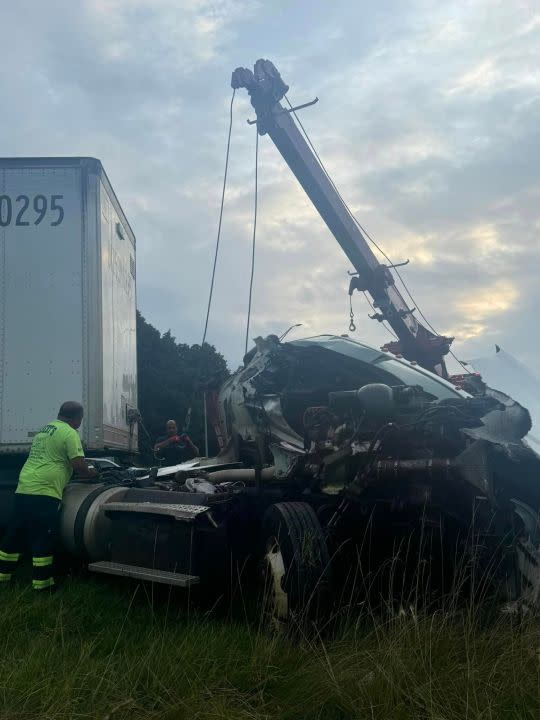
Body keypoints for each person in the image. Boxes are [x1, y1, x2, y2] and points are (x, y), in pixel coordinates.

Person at [0, 401, 97, 592]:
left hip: (24, 486)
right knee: (42, 536)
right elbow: (78, 465)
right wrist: (93, 473)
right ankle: (43, 585)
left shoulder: (44, 430)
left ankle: (3, 577)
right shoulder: (69, 433)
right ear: (76, 418)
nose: (80, 423)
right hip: (45, 491)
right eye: (80, 419)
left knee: (15, 534)